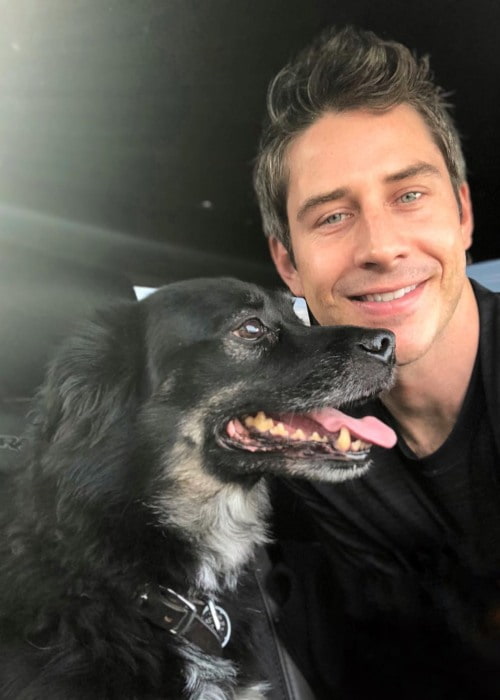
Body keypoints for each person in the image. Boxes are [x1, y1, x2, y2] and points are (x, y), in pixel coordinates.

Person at [253, 26, 500, 699]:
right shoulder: (307, 446)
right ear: (288, 263)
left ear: (464, 213)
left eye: (409, 195)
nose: (382, 246)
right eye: (332, 216)